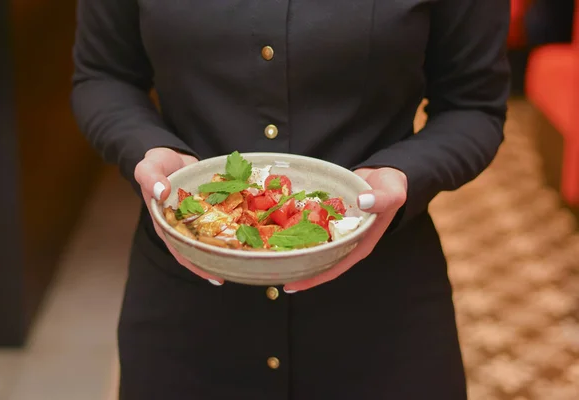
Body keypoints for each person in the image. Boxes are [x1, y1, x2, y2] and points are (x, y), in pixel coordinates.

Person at [71, 0, 510, 399]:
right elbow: (103, 76)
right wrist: (144, 147)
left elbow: (473, 104)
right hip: (187, 321)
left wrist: (403, 172)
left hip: (381, 317)